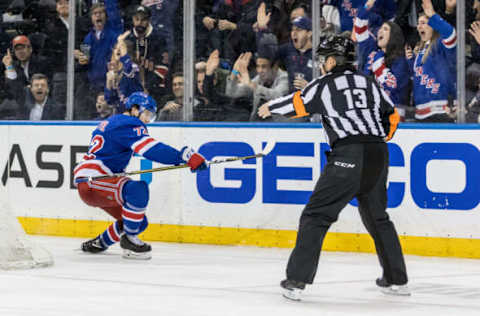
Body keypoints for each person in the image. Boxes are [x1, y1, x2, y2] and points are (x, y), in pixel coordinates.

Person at [258, 34, 408, 300]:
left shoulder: (325, 84)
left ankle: (297, 280)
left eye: (322, 60)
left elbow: (298, 104)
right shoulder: (370, 83)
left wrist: (269, 106)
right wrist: (377, 138)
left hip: (347, 153)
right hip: (378, 153)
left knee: (316, 215)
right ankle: (397, 279)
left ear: (331, 60)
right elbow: (392, 116)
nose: (320, 65)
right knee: (378, 217)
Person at [74, 92, 208, 259]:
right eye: (147, 114)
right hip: (94, 180)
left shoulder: (114, 122)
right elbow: (150, 149)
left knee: (137, 222)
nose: (147, 120)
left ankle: (99, 243)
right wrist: (183, 156)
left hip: (92, 181)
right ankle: (129, 242)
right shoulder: (128, 123)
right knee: (138, 190)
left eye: (152, 117)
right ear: (135, 109)